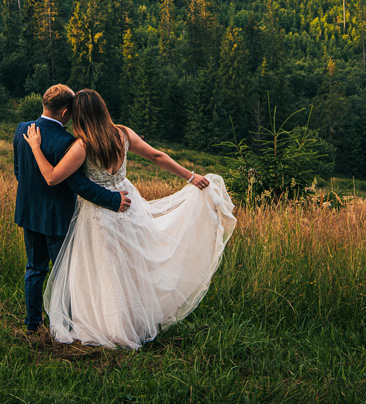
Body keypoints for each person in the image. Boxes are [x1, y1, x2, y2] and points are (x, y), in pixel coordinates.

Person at [23, 88, 236, 349]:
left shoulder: (82, 145)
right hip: (129, 204)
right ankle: (135, 321)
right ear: (103, 109)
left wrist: (35, 147)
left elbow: (53, 177)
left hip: (100, 212)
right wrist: (190, 176)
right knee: (132, 265)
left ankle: (110, 325)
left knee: (105, 269)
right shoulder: (122, 133)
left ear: (77, 114)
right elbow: (157, 156)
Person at [13, 84, 131, 335]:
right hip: (57, 217)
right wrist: (112, 200)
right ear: (66, 113)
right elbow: (79, 185)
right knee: (64, 273)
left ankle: (32, 325)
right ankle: (65, 327)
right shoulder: (68, 142)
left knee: (34, 269)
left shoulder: (22, 129)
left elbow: (18, 171)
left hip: (29, 212)